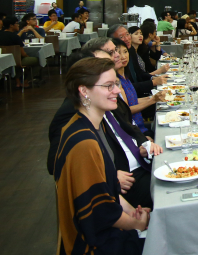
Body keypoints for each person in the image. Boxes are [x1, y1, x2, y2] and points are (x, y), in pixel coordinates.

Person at [54, 57, 150, 255]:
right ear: (84, 91)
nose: (117, 90)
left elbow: (106, 191)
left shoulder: (88, 125)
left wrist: (132, 212)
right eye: (108, 86)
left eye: (115, 84)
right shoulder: (84, 143)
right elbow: (100, 213)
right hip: (96, 243)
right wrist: (136, 223)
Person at [111, 38, 165, 134]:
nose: (123, 57)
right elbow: (126, 110)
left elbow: (133, 101)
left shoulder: (125, 77)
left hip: (140, 126)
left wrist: (154, 97)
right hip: (134, 131)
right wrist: (152, 100)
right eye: (119, 53)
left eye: (125, 52)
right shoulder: (116, 81)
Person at [109, 24, 167, 96]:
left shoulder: (131, 50)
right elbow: (127, 87)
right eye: (121, 37)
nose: (127, 39)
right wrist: (153, 82)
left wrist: (153, 78)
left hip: (141, 92)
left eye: (127, 34)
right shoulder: (114, 60)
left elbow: (139, 73)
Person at [0, 16, 40, 87]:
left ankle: (18, 82)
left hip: (3, 62)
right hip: (16, 61)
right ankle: (26, 82)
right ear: (11, 25)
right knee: (39, 61)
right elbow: (23, 54)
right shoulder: (15, 37)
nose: (18, 25)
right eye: (16, 23)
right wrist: (28, 56)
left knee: (17, 62)